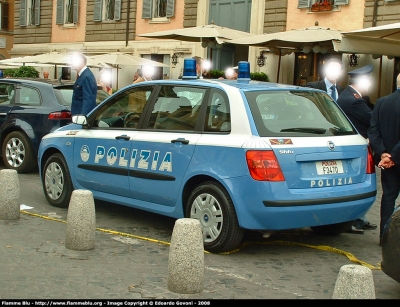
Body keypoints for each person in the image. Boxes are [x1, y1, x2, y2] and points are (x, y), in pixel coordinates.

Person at [336, 64, 377, 232]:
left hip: (348, 146)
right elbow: (372, 119)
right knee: (356, 184)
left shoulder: (346, 95)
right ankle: (353, 219)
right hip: (356, 148)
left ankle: (358, 218)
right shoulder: (355, 101)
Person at [367, 73, 400, 246]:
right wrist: (393, 156)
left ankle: (385, 236)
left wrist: (383, 153)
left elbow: (373, 131)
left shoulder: (381, 102)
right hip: (393, 158)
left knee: (388, 197)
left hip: (387, 159)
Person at [70, 52, 98, 116]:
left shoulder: (86, 76)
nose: (71, 63)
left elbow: (88, 100)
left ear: (81, 61)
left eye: (73, 61)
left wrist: (82, 119)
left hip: (81, 118)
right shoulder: (83, 75)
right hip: (77, 116)